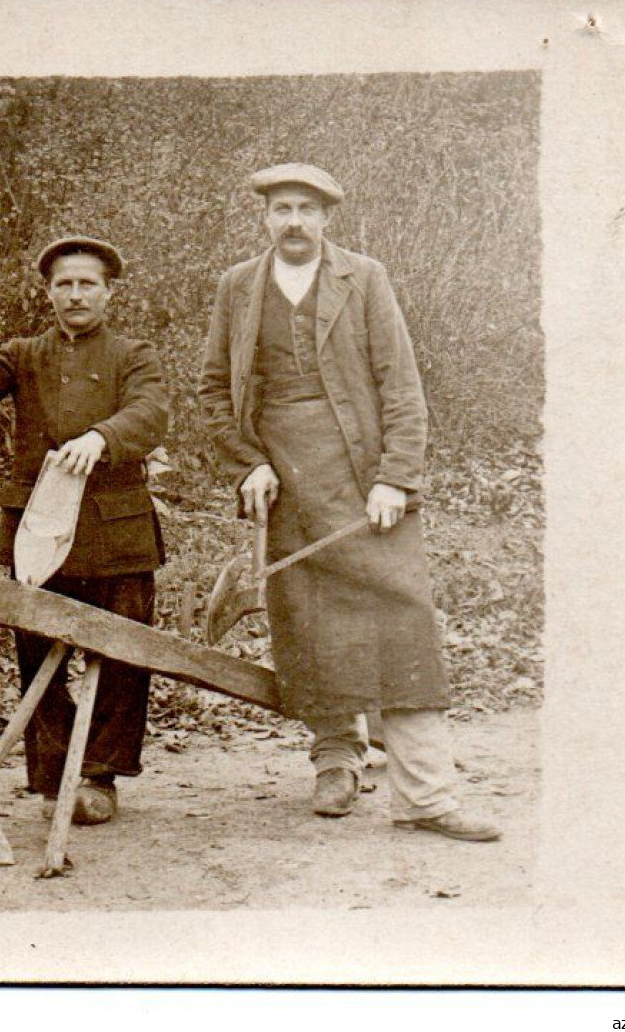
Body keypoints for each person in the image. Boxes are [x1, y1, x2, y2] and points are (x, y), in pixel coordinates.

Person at [197, 163, 500, 842]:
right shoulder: (236, 287)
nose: (294, 222)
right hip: (282, 485)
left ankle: (425, 795)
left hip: (364, 481)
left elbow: (400, 382)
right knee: (309, 628)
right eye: (281, 209)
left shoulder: (362, 278)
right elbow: (214, 391)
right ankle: (335, 761)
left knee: (401, 624)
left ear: (327, 217)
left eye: (306, 208)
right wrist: (247, 466)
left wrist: (395, 475)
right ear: (264, 217)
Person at [0, 238, 169, 826]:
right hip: (36, 533)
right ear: (48, 293)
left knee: (122, 655)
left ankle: (100, 777)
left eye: (87, 284)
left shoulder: (134, 355)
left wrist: (101, 437)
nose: (75, 295)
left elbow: (150, 415)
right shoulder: (22, 355)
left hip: (116, 533)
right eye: (64, 284)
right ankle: (51, 776)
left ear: (107, 293)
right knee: (37, 652)